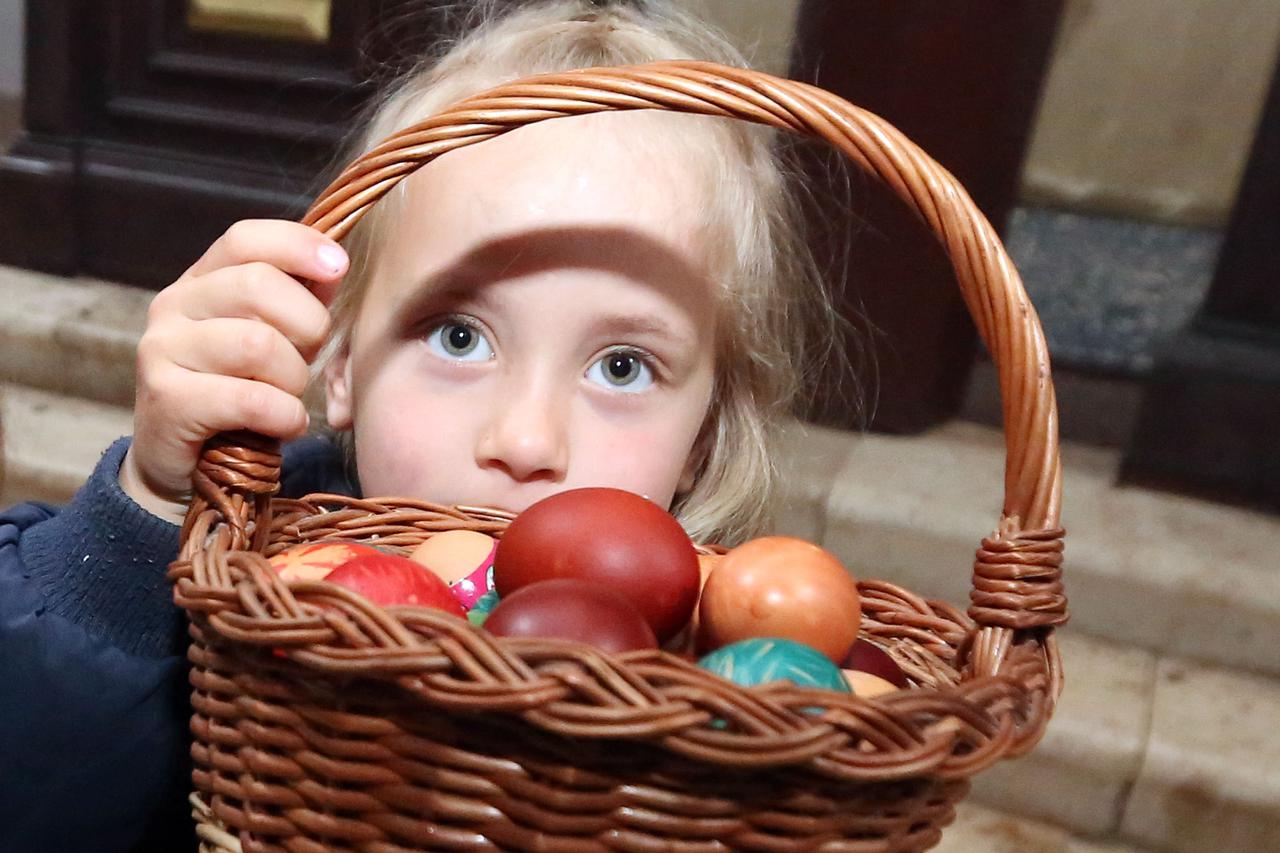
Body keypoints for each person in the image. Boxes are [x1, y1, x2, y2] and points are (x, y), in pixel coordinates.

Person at [0, 1, 845, 850]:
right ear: (342, 366)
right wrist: (150, 519)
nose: (524, 439)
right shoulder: (256, 577)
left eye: (621, 365)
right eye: (459, 336)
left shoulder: (720, 659)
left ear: (702, 439)